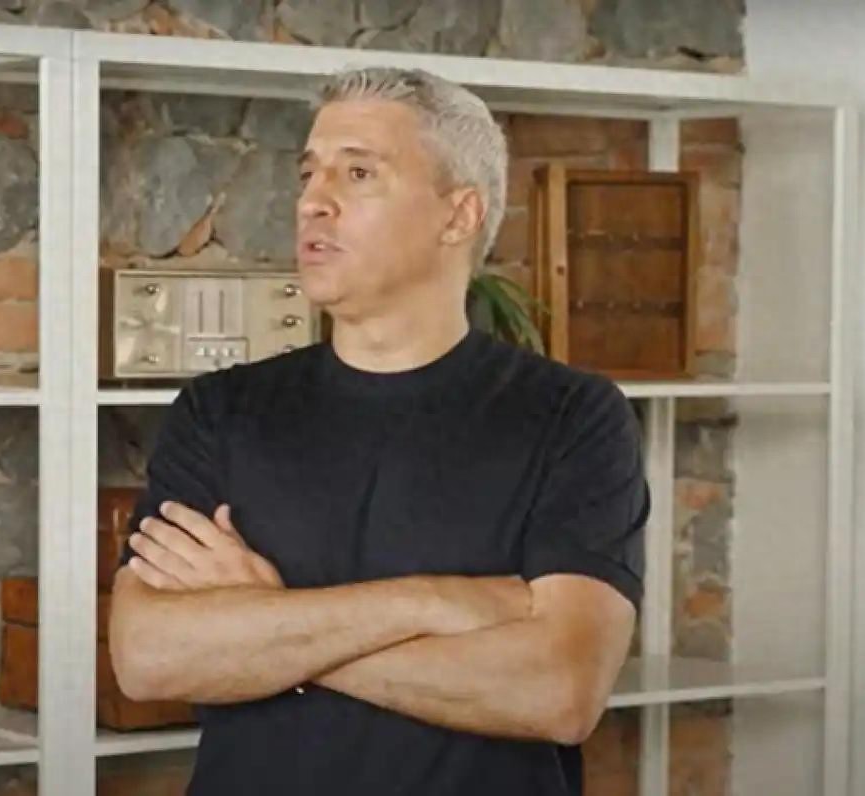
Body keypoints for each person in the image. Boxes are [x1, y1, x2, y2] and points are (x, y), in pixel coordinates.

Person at [109, 66, 650, 796]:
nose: (313, 201)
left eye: (358, 173)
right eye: (309, 173)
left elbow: (559, 691)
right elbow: (147, 659)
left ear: (458, 216)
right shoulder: (220, 410)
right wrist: (428, 603)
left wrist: (269, 626)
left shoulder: (572, 417)